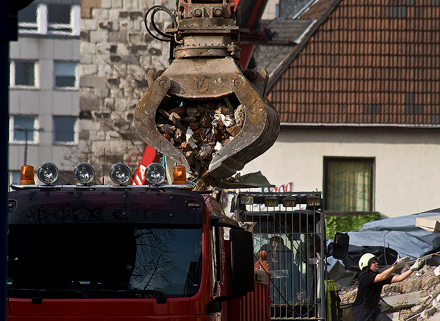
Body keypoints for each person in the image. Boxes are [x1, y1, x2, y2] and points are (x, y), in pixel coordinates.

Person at [352, 253, 424, 321]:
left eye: (376, 261)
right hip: (361, 312)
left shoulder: (379, 277)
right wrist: (396, 266)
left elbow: (399, 278)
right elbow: (382, 276)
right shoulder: (364, 277)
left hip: (373, 310)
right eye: (373, 262)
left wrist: (412, 269)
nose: (376, 263)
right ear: (366, 265)